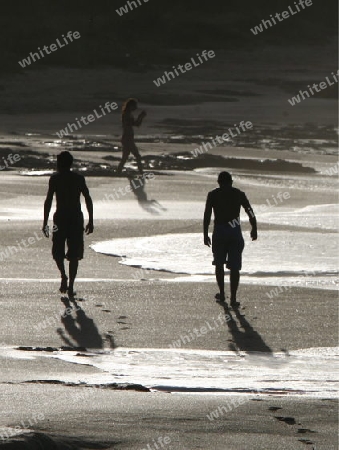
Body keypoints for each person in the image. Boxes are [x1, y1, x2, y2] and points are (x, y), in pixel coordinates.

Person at [42, 151, 94, 297]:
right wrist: (91, 219)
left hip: (63, 218)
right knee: (73, 254)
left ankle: (66, 279)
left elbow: (48, 201)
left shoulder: (56, 179)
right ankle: (69, 283)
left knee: (61, 252)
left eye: (58, 163)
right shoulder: (77, 178)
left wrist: (45, 221)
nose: (57, 165)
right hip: (75, 218)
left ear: (61, 164)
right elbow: (88, 198)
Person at [203, 171, 257, 307]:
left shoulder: (213, 194)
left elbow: (207, 215)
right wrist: (254, 227)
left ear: (219, 183)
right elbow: (249, 211)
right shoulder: (238, 194)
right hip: (234, 231)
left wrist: (205, 234)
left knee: (219, 264)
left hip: (220, 231)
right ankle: (233, 298)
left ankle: (222, 293)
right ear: (231, 182)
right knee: (234, 267)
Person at [116, 98, 147, 175]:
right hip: (128, 138)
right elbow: (132, 124)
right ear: (130, 106)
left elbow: (136, 124)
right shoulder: (126, 114)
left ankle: (118, 172)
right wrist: (140, 117)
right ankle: (141, 172)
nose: (135, 108)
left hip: (127, 138)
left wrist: (141, 117)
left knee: (125, 157)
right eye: (134, 106)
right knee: (137, 156)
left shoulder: (128, 114)